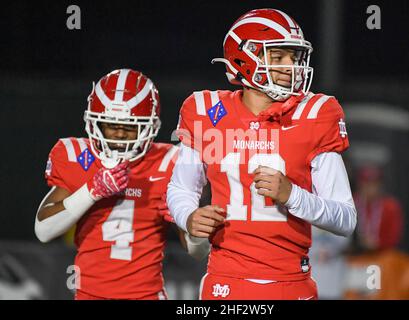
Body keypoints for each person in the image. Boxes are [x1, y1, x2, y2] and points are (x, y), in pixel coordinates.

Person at [167, 8, 357, 300]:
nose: (290, 66)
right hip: (225, 280)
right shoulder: (204, 111)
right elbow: (181, 187)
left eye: (293, 58)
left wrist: (293, 195)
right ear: (245, 58)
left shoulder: (316, 113)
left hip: (291, 280)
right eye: (278, 56)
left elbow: (345, 218)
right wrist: (188, 216)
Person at [35, 69, 181, 300]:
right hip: (88, 295)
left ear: (150, 126)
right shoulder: (75, 154)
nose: (120, 135)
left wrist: (183, 214)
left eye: (130, 126)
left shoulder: (170, 162)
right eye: (111, 125)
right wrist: (91, 191)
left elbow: (197, 250)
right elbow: (43, 231)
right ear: (95, 123)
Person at [353, 165, 404, 252]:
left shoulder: (390, 206)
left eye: (374, 184)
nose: (370, 188)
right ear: (360, 184)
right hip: (355, 255)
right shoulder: (351, 204)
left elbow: (395, 236)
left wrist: (378, 242)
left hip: (383, 254)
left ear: (380, 185)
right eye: (366, 183)